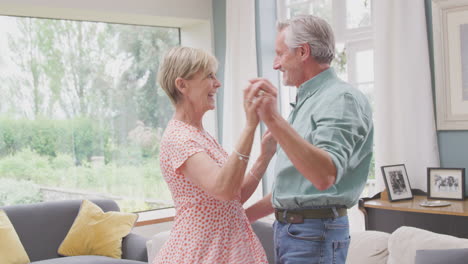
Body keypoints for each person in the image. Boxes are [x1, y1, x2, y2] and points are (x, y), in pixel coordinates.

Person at [245, 15, 374, 264]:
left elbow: (324, 176)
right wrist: (241, 218)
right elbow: (295, 192)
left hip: (314, 234)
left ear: (303, 52)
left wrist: (273, 120)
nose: (275, 64)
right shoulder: (305, 104)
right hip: (293, 233)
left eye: (280, 54)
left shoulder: (341, 99)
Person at [153, 46, 275, 264]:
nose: (217, 83)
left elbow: (233, 197)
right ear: (182, 85)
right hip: (203, 252)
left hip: (225, 248)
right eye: (209, 76)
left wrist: (264, 158)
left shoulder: (200, 135)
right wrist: (249, 127)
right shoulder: (179, 139)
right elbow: (224, 190)